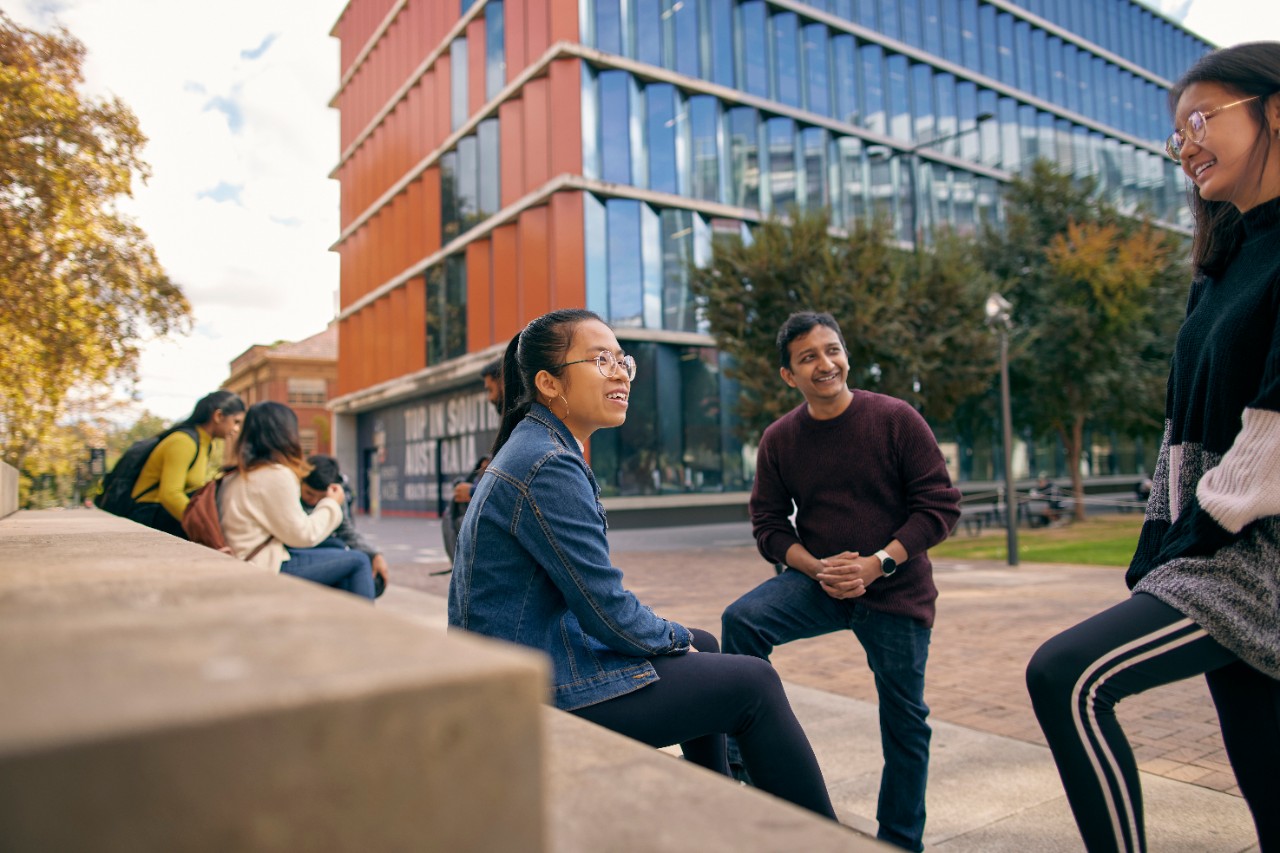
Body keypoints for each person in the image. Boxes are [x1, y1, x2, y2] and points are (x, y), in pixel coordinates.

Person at [1026, 42, 1280, 853]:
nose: (1186, 144)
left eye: (1202, 120)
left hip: (1255, 549)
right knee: (1271, 786)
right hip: (1211, 538)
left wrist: (1191, 539)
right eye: (1177, 134)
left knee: (1065, 675)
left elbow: (1276, 426)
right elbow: (1186, 425)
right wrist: (1157, 541)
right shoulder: (1226, 256)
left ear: (1275, 109)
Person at [447, 308, 836, 819]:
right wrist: (672, 637)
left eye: (622, 359)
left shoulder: (540, 446)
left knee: (708, 644)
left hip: (530, 661)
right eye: (600, 359)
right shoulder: (547, 463)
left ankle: (714, 816)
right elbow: (606, 612)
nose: (619, 373)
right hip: (528, 690)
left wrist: (681, 641)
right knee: (752, 684)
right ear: (548, 383)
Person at [720, 311, 960, 852]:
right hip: (820, 584)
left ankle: (900, 842)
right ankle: (741, 770)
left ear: (845, 353)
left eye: (832, 350)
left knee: (905, 723)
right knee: (742, 622)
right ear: (789, 375)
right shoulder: (780, 439)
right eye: (808, 357)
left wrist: (880, 562)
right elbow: (769, 525)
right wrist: (817, 568)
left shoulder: (896, 419)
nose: (825, 364)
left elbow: (940, 506)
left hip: (896, 589)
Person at [218, 402, 376, 600]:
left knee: (336, 549)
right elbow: (303, 535)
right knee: (359, 561)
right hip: (263, 563)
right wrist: (332, 504)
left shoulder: (235, 475)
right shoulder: (275, 474)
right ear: (286, 434)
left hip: (247, 556)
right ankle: (366, 628)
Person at [129, 390, 246, 537]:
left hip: (165, 516)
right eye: (236, 422)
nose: (236, 429)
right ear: (218, 416)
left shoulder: (205, 443)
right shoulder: (184, 442)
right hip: (150, 515)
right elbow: (170, 494)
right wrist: (203, 526)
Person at [298, 455, 390, 596]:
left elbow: (346, 530)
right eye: (309, 494)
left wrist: (375, 555)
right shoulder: (291, 495)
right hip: (296, 550)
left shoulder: (336, 495)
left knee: (371, 581)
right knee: (353, 560)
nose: (314, 501)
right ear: (300, 482)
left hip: (323, 549)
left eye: (321, 497)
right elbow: (302, 534)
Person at [443, 357, 504, 563]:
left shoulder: (517, 424)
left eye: (490, 390)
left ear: (503, 381)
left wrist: (472, 491)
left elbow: (511, 493)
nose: (489, 398)